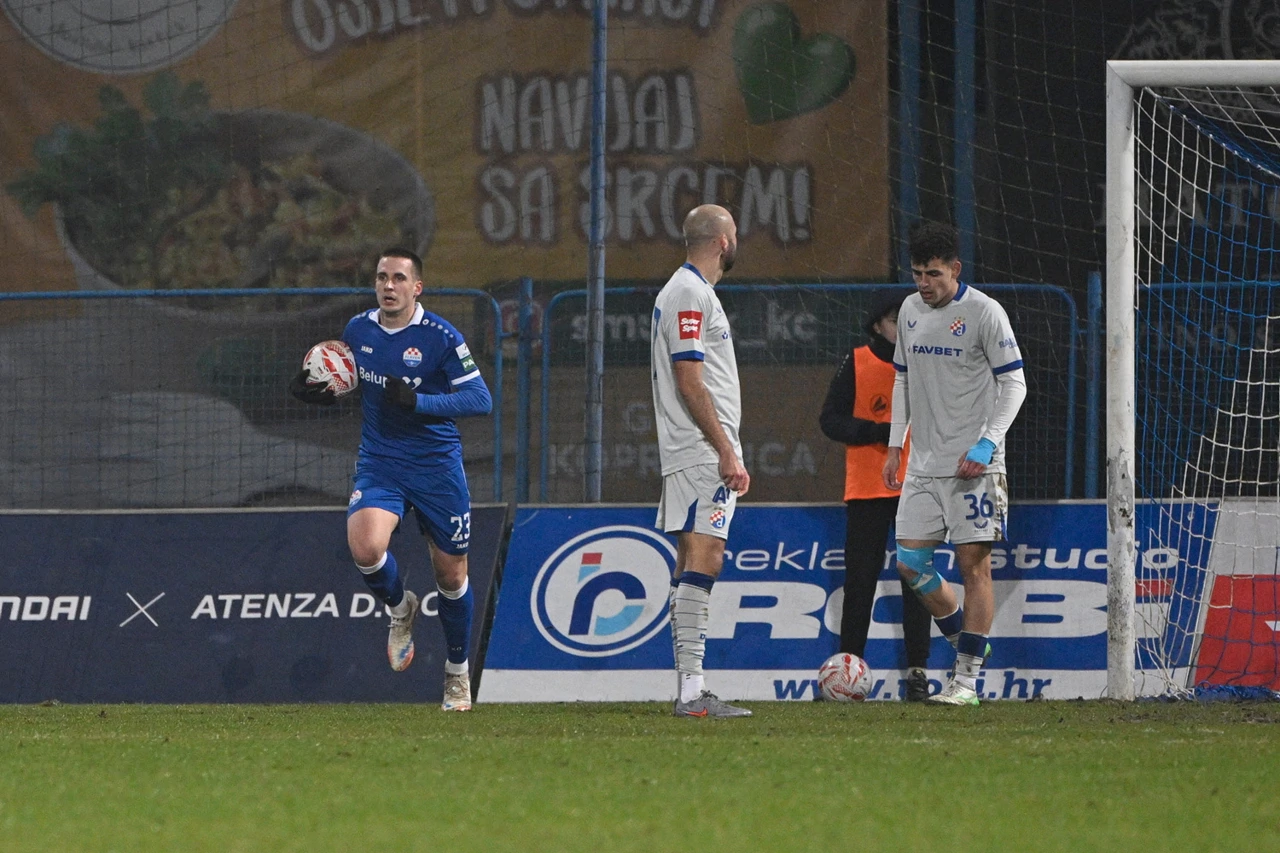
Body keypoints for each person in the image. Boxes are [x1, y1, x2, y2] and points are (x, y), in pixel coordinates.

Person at [289, 247, 492, 712]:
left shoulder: (441, 337)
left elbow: (480, 400)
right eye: (381, 277)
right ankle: (401, 609)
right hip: (381, 461)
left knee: (452, 574)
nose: (388, 285)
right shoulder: (357, 331)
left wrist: (419, 403)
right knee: (365, 548)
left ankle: (457, 675)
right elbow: (350, 379)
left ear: (416, 287)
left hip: (437, 466)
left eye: (399, 278)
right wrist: (319, 391)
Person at [882, 221, 1026, 705]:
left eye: (935, 274)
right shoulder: (909, 310)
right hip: (923, 464)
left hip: (974, 465)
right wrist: (895, 445)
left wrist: (987, 444)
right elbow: (902, 379)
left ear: (956, 269)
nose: (925, 283)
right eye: (918, 273)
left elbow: (1015, 384)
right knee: (910, 563)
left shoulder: (985, 313)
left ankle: (965, 682)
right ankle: (967, 644)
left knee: (973, 570)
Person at [651, 203, 752, 718]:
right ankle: (692, 692)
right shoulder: (690, 292)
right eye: (734, 233)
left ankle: (689, 688)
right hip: (699, 452)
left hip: (690, 451)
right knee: (705, 556)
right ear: (722, 241)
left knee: (692, 558)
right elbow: (690, 379)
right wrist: (725, 449)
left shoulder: (688, 292)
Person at [819, 293, 933, 702]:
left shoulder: (925, 362)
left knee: (916, 582)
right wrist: (878, 432)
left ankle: (918, 673)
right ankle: (850, 670)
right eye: (895, 318)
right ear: (877, 325)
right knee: (860, 582)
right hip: (867, 489)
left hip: (915, 487)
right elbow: (830, 420)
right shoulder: (858, 361)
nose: (904, 324)